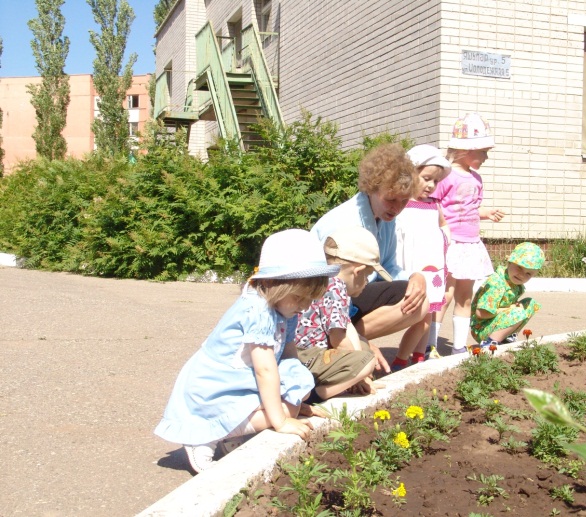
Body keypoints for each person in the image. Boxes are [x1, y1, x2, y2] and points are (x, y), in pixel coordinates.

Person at [154, 229, 339, 473]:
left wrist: (296, 394)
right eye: (299, 297)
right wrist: (281, 420)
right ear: (276, 284)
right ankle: (204, 436)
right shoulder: (258, 311)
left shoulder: (285, 308)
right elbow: (264, 369)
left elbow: (288, 350)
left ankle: (231, 432)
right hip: (215, 388)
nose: (305, 306)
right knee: (283, 412)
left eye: (309, 299)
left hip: (240, 381)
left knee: (293, 400)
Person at [311, 143, 429, 372]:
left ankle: (341, 339)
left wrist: (416, 277)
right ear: (372, 188)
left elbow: (388, 266)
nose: (397, 208)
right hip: (324, 299)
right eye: (391, 199)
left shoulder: (385, 218)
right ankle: (335, 340)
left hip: (353, 292)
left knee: (417, 299)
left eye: (404, 201)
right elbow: (324, 286)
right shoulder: (343, 222)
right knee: (415, 303)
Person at [430, 113, 506, 356]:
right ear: (468, 149)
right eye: (483, 151)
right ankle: (430, 345)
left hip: (471, 244)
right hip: (451, 243)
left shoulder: (476, 179)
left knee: (465, 295)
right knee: (445, 293)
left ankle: (458, 347)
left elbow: (469, 208)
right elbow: (435, 205)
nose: (486, 157)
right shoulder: (444, 175)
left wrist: (485, 213)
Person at [295, 226, 388, 400]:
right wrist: (358, 374)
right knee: (367, 361)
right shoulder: (336, 287)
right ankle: (317, 393)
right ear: (357, 271)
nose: (367, 282)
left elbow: (346, 325)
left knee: (364, 348)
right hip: (308, 355)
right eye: (367, 276)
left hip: (302, 352)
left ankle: (345, 379)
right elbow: (338, 340)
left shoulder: (323, 278)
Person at [394, 144, 451, 362]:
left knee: (427, 316)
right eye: (426, 178)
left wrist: (446, 242)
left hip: (433, 268)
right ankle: (401, 358)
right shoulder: (402, 204)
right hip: (412, 268)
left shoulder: (434, 206)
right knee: (420, 316)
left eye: (435, 181)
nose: (431, 185)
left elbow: (444, 227)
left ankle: (418, 354)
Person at [470, 242, 544, 349]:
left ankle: (507, 337)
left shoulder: (514, 284)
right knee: (518, 312)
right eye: (519, 267)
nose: (522, 275)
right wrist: (509, 309)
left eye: (528, 273)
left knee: (530, 304)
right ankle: (489, 342)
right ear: (509, 262)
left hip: (494, 322)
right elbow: (481, 313)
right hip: (481, 327)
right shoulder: (497, 283)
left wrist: (512, 308)